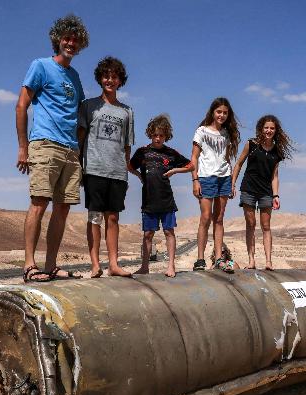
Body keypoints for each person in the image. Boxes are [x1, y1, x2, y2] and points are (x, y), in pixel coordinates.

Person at [16, 14, 89, 282]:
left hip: (70, 150)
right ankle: (28, 265)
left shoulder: (75, 76)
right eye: (67, 38)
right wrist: (23, 147)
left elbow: (80, 113)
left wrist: (80, 148)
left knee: (63, 208)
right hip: (45, 143)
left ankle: (51, 265)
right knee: (39, 203)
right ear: (57, 39)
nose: (71, 43)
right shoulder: (41, 66)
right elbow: (21, 105)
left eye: (75, 40)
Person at [77, 56, 137, 278]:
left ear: (120, 80)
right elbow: (80, 138)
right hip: (93, 169)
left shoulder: (127, 111)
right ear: (100, 79)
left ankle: (113, 264)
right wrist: (79, 166)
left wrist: (125, 172)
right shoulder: (89, 106)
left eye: (114, 76)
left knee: (113, 217)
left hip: (117, 172)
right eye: (106, 76)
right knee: (95, 217)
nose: (110, 80)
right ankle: (95, 264)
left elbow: (127, 145)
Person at [130, 114, 194, 278]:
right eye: (155, 135)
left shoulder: (171, 153)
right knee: (147, 234)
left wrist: (174, 170)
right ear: (150, 134)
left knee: (169, 232)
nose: (158, 138)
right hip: (149, 200)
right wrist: (138, 175)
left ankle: (171, 266)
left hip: (166, 199)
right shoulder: (142, 152)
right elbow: (129, 166)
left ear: (166, 135)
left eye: (161, 135)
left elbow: (191, 165)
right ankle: (144, 267)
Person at [230, 114, 294, 270]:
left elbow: (275, 175)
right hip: (249, 189)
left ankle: (268, 262)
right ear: (261, 128)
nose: (269, 130)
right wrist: (231, 184)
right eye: (266, 127)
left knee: (266, 226)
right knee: (250, 224)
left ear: (276, 130)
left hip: (266, 192)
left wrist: (276, 194)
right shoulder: (251, 144)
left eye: (272, 128)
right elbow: (238, 164)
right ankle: (251, 260)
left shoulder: (277, 151)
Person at [191, 97, 240, 273]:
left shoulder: (227, 134)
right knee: (205, 218)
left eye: (225, 113)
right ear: (213, 112)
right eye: (219, 111)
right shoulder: (202, 131)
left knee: (219, 219)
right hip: (206, 178)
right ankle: (200, 259)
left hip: (224, 178)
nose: (221, 115)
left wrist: (231, 182)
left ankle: (219, 258)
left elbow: (226, 158)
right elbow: (194, 158)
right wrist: (195, 180)